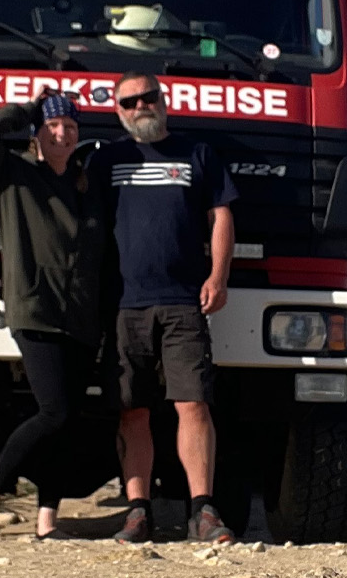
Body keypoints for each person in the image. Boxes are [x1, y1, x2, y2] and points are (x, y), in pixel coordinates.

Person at [89, 71, 240, 543]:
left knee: (192, 404)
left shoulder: (198, 155)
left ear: (163, 99)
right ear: (118, 111)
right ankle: (138, 512)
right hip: (122, 305)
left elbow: (221, 215)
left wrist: (219, 276)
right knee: (131, 411)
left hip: (183, 302)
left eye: (146, 98)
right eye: (128, 103)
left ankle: (202, 510)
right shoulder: (106, 160)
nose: (139, 108)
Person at [0, 88, 104, 540]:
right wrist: (26, 110)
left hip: (80, 317)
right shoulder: (13, 176)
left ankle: (47, 520)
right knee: (53, 412)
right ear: (38, 134)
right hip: (36, 310)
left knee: (67, 421)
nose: (62, 133)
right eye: (53, 126)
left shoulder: (86, 185)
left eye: (70, 127)